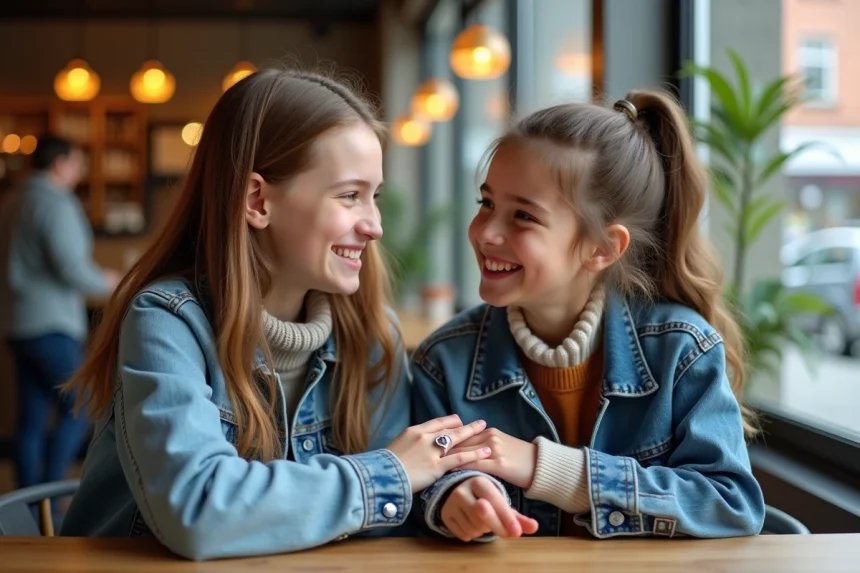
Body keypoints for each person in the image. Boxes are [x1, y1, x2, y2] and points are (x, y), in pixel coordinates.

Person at [59, 69, 491, 560]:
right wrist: (389, 473)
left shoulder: (371, 334)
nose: (374, 225)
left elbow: (395, 502)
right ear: (257, 201)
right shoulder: (167, 321)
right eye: (350, 195)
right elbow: (198, 511)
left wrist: (449, 494)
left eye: (373, 196)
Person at [411, 92, 766, 541]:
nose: (486, 232)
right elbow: (420, 485)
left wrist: (550, 469)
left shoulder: (682, 349)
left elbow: (731, 505)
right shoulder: (442, 361)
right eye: (487, 204)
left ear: (602, 248)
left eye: (523, 216)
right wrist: (452, 497)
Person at [0, 135, 121, 489]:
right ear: (59, 164)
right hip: (51, 323)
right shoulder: (54, 203)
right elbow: (71, 267)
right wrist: (111, 282)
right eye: (78, 164)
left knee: (32, 419)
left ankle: (29, 506)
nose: (80, 172)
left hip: (16, 323)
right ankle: (52, 496)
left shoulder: (11, 201)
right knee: (84, 406)